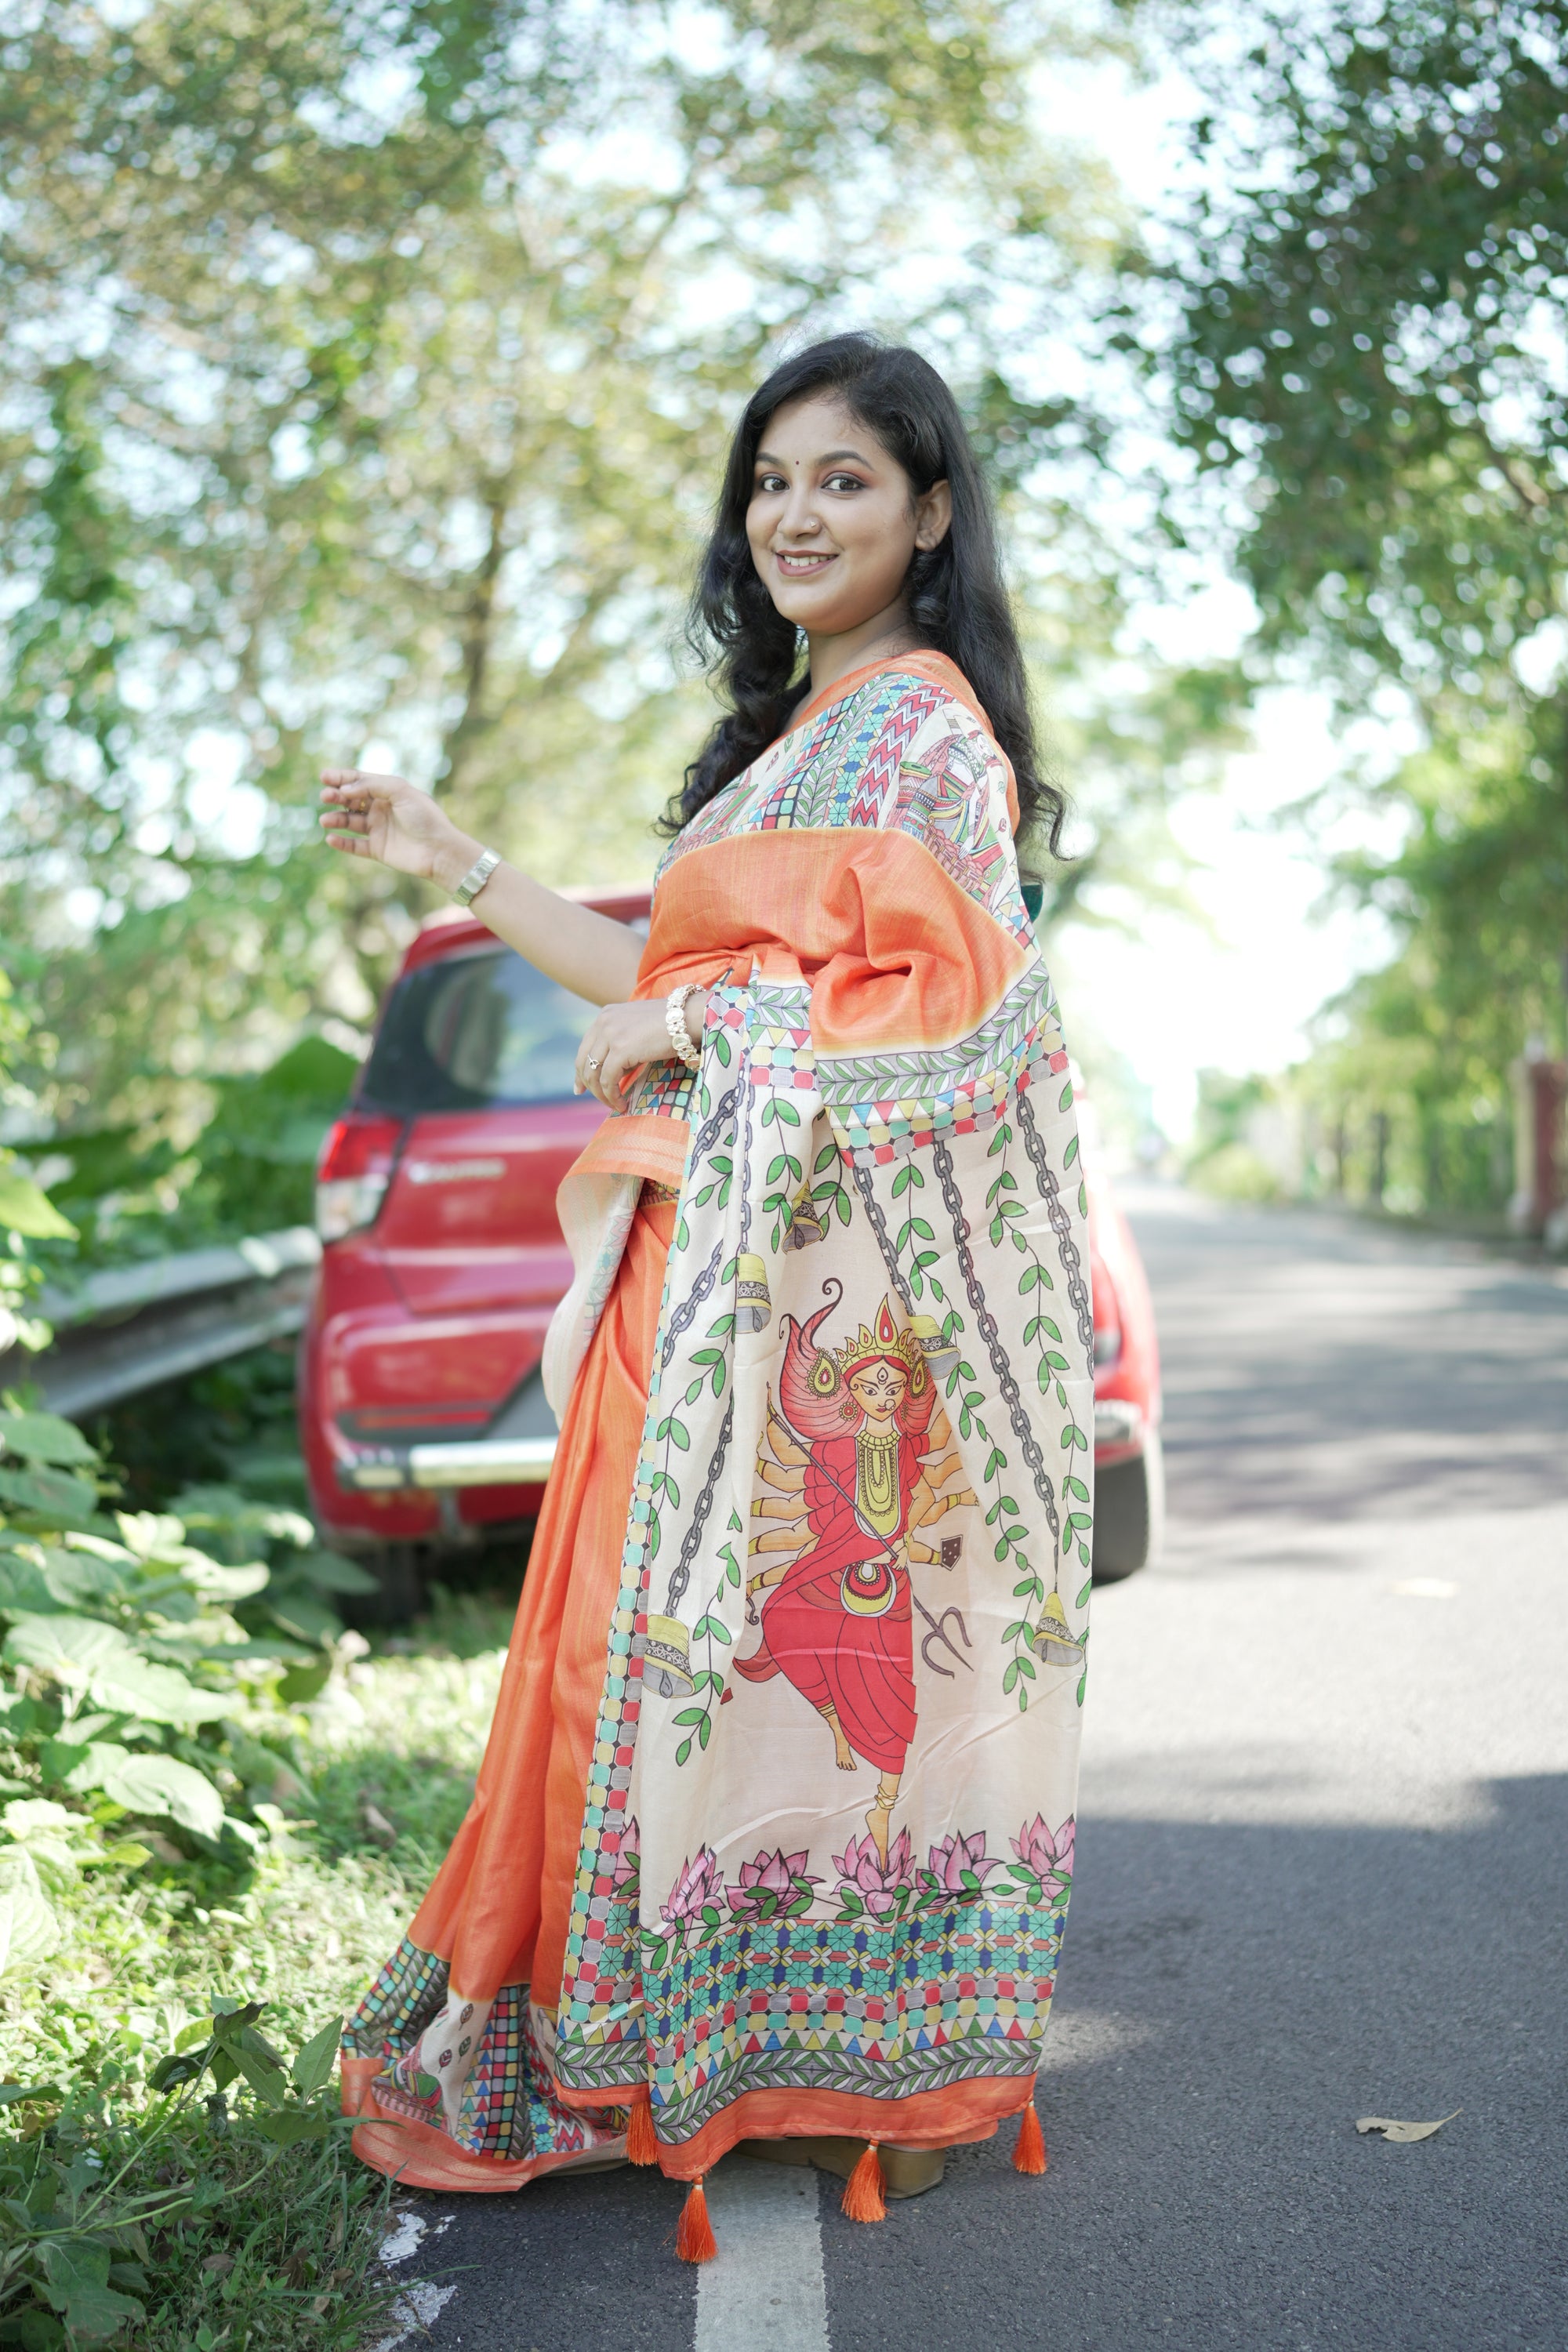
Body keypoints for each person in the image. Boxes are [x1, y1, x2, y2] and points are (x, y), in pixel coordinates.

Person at [322, 332, 1094, 2251]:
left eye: (841, 479)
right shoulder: (777, 749)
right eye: (768, 480)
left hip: (808, 1286)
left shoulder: (925, 733)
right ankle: (642, 2037)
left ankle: (881, 2067)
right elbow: (638, 972)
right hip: (701, 1257)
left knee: (808, 1665)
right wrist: (451, 856)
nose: (792, 515)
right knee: (637, 1653)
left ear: (929, 513)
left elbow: (938, 1029)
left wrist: (700, 1017)